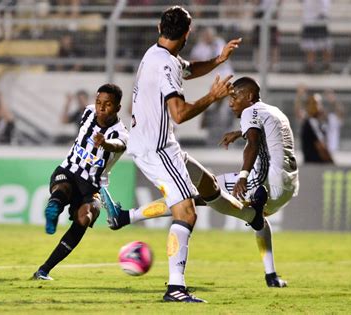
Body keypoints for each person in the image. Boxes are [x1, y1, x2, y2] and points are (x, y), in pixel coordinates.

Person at [108, 5, 250, 303]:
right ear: (187, 34)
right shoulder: (165, 65)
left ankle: (126, 216)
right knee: (185, 211)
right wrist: (213, 96)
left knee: (207, 184)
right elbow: (180, 113)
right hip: (158, 148)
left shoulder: (158, 54)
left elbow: (188, 68)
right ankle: (175, 287)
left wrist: (219, 59)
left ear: (160, 28)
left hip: (156, 144)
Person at [102, 76, 298, 289]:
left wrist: (243, 177)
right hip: (287, 186)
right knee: (255, 219)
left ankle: (126, 217)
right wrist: (237, 133)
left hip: (263, 182)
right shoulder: (275, 112)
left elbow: (252, 144)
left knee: (188, 197)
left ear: (249, 97)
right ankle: (271, 276)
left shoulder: (250, 111)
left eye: (234, 97)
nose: (230, 103)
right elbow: (267, 141)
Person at [32, 83, 128, 280]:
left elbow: (118, 146)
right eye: (99, 102)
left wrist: (105, 143)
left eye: (107, 104)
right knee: (63, 187)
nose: (101, 107)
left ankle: (44, 270)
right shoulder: (88, 112)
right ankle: (53, 209)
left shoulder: (121, 133)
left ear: (118, 108)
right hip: (68, 170)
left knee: (85, 218)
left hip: (92, 186)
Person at [190, 27, 235, 146]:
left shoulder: (219, 43)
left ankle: (227, 125)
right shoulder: (200, 45)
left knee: (226, 107)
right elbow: (193, 61)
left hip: (224, 74)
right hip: (210, 78)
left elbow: (220, 59)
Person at [300, 0, 332, 73]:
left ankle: (326, 65)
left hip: (319, 18)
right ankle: (310, 65)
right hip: (308, 20)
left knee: (325, 44)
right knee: (309, 45)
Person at [300, 93, 334, 163]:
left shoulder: (318, 122)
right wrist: (331, 162)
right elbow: (321, 146)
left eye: (319, 104)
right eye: (315, 104)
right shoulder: (311, 122)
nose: (318, 107)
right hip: (314, 165)